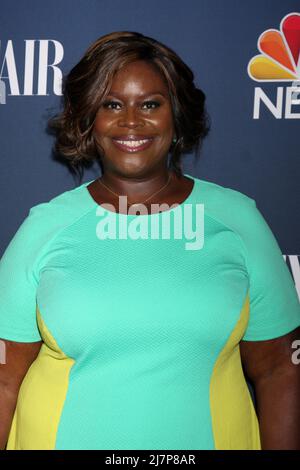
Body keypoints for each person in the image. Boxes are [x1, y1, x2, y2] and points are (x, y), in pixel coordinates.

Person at [0, 31, 299, 451]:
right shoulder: (46, 227)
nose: (131, 122)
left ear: (176, 114)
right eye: (112, 104)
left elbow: (279, 370)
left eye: (150, 104)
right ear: (90, 118)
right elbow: (4, 376)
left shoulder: (237, 220)